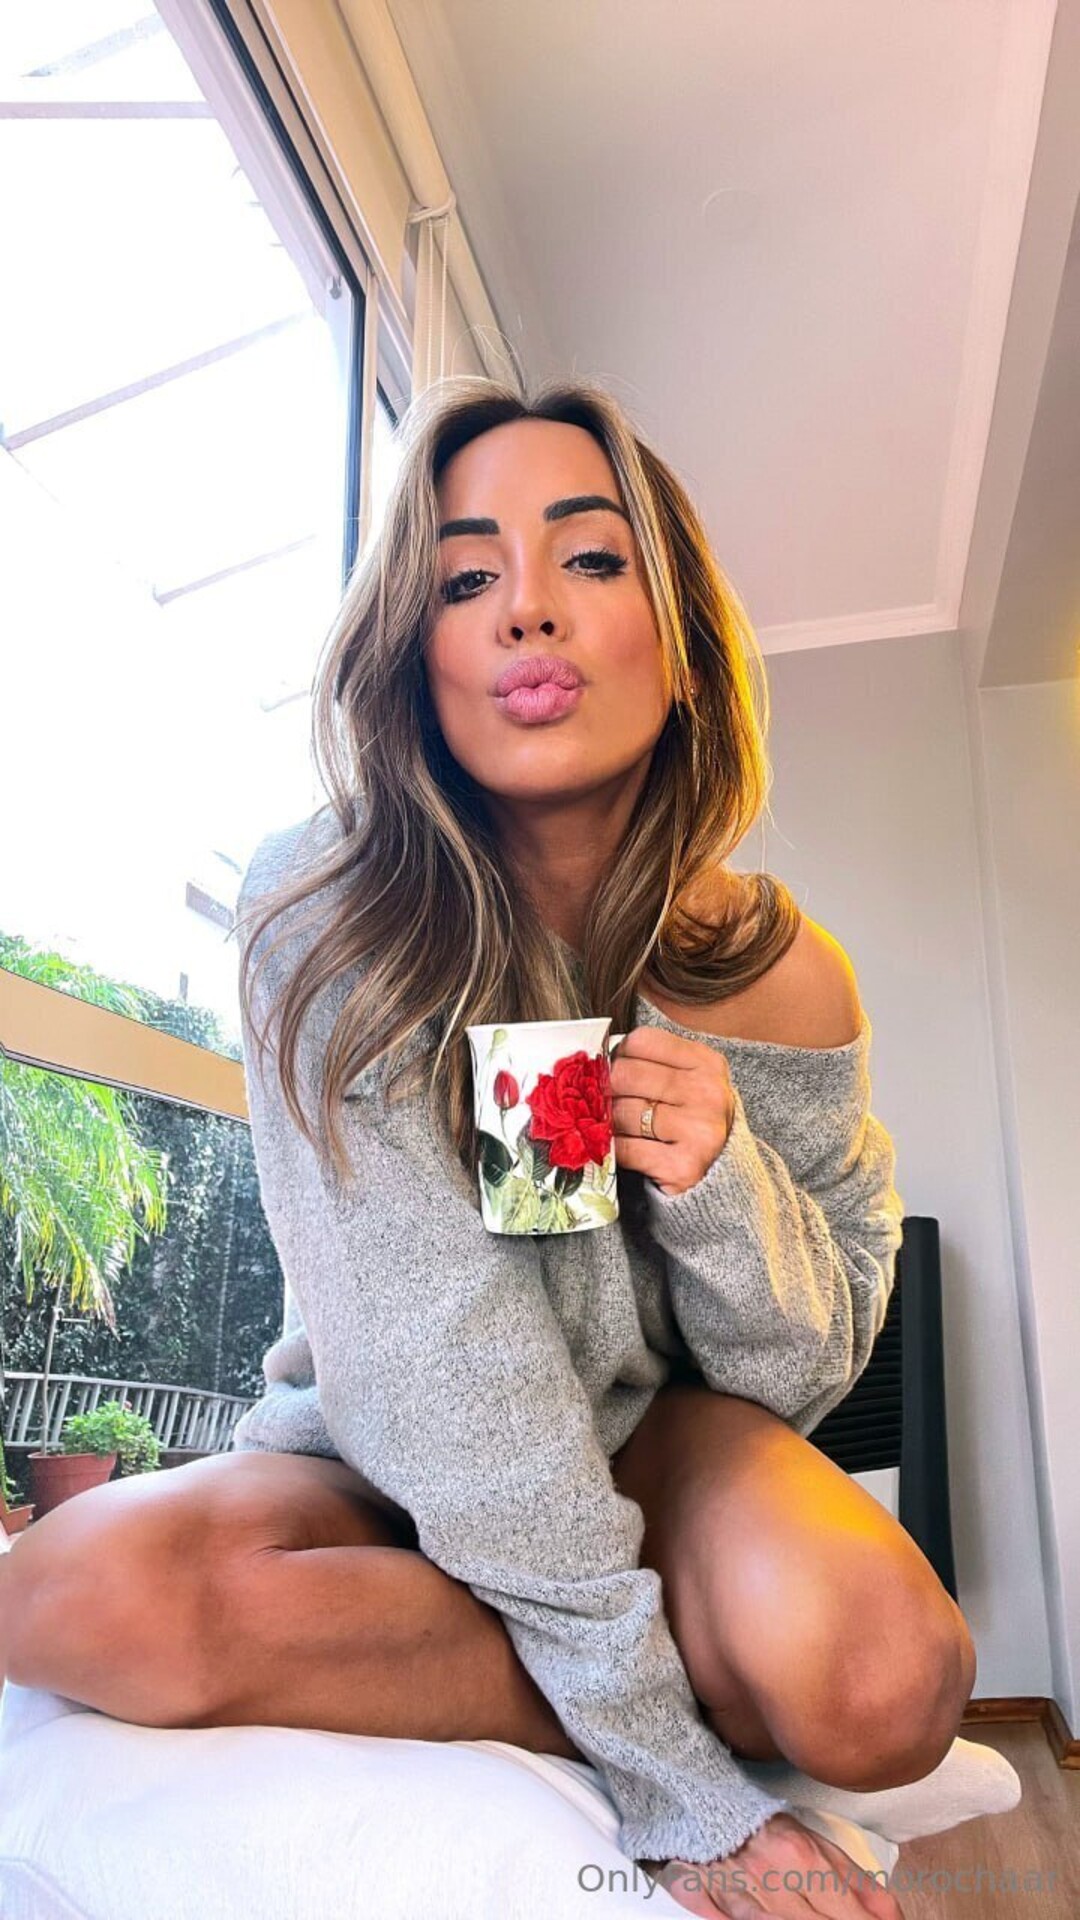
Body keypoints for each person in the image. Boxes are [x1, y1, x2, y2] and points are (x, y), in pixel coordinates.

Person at [2, 376, 974, 1918]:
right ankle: (594, 1657)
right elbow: (447, 1367)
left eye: (587, 558)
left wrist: (724, 1183)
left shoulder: (778, 974)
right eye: (465, 579)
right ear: (418, 650)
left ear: (680, 634)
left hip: (662, 1437)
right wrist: (668, 1767)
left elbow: (807, 1368)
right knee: (71, 1595)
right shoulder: (335, 913)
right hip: (390, 1444)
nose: (526, 608)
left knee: (890, 1685)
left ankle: (528, 1635)